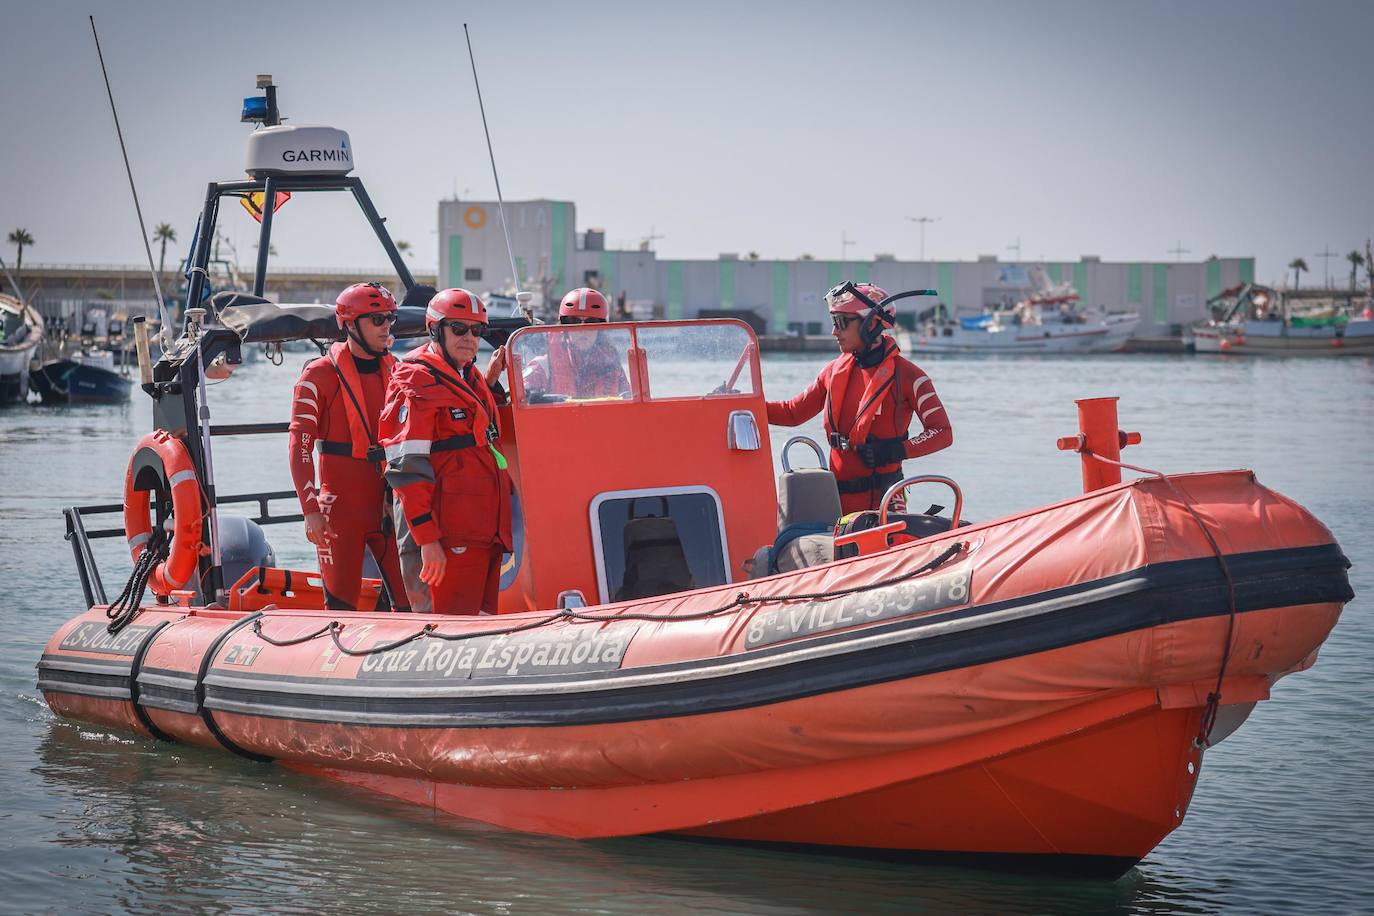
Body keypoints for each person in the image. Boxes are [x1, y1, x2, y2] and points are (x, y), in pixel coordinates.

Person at [766, 282, 953, 514]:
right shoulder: (832, 371)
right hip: (836, 501)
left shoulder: (910, 376)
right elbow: (792, 413)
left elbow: (942, 433)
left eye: (841, 322)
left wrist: (896, 450)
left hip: (885, 503)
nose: (834, 331)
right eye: (834, 322)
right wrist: (742, 405)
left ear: (872, 323)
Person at [380, 288, 513, 614]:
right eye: (459, 328)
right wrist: (427, 540)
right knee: (447, 632)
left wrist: (492, 386)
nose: (470, 338)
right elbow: (406, 466)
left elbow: (471, 431)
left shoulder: (470, 377)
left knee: (480, 626)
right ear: (436, 330)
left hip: (482, 531)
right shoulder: (415, 381)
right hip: (446, 536)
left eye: (477, 330)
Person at [288, 282, 409, 611]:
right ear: (350, 324)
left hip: (389, 506)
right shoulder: (319, 375)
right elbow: (299, 448)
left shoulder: (398, 369)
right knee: (341, 606)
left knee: (412, 602)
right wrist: (311, 512)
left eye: (390, 319)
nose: (387, 327)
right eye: (377, 320)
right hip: (339, 513)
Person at [521, 287, 631, 399]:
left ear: (601, 328)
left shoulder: (612, 366)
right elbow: (517, 395)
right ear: (563, 327)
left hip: (603, 417)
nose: (582, 329)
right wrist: (527, 392)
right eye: (573, 321)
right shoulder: (544, 366)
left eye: (591, 322)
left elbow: (631, 401)